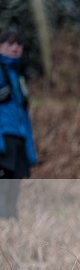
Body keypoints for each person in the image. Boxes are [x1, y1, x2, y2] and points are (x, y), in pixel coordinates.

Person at [0, 29, 37, 218]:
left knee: (13, 188)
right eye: (9, 43)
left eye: (18, 44)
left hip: (19, 138)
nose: (15, 48)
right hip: (3, 139)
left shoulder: (18, 74)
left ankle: (11, 227)